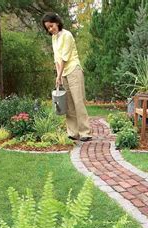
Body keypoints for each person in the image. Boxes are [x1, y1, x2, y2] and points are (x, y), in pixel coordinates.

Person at [42, 12, 92, 142]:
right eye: (48, 28)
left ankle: (85, 132)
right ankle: (73, 132)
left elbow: (65, 57)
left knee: (78, 101)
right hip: (63, 72)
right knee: (68, 103)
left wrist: (59, 75)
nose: (50, 29)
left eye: (51, 26)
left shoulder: (67, 35)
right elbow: (57, 59)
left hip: (73, 70)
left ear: (57, 22)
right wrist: (58, 76)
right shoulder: (54, 38)